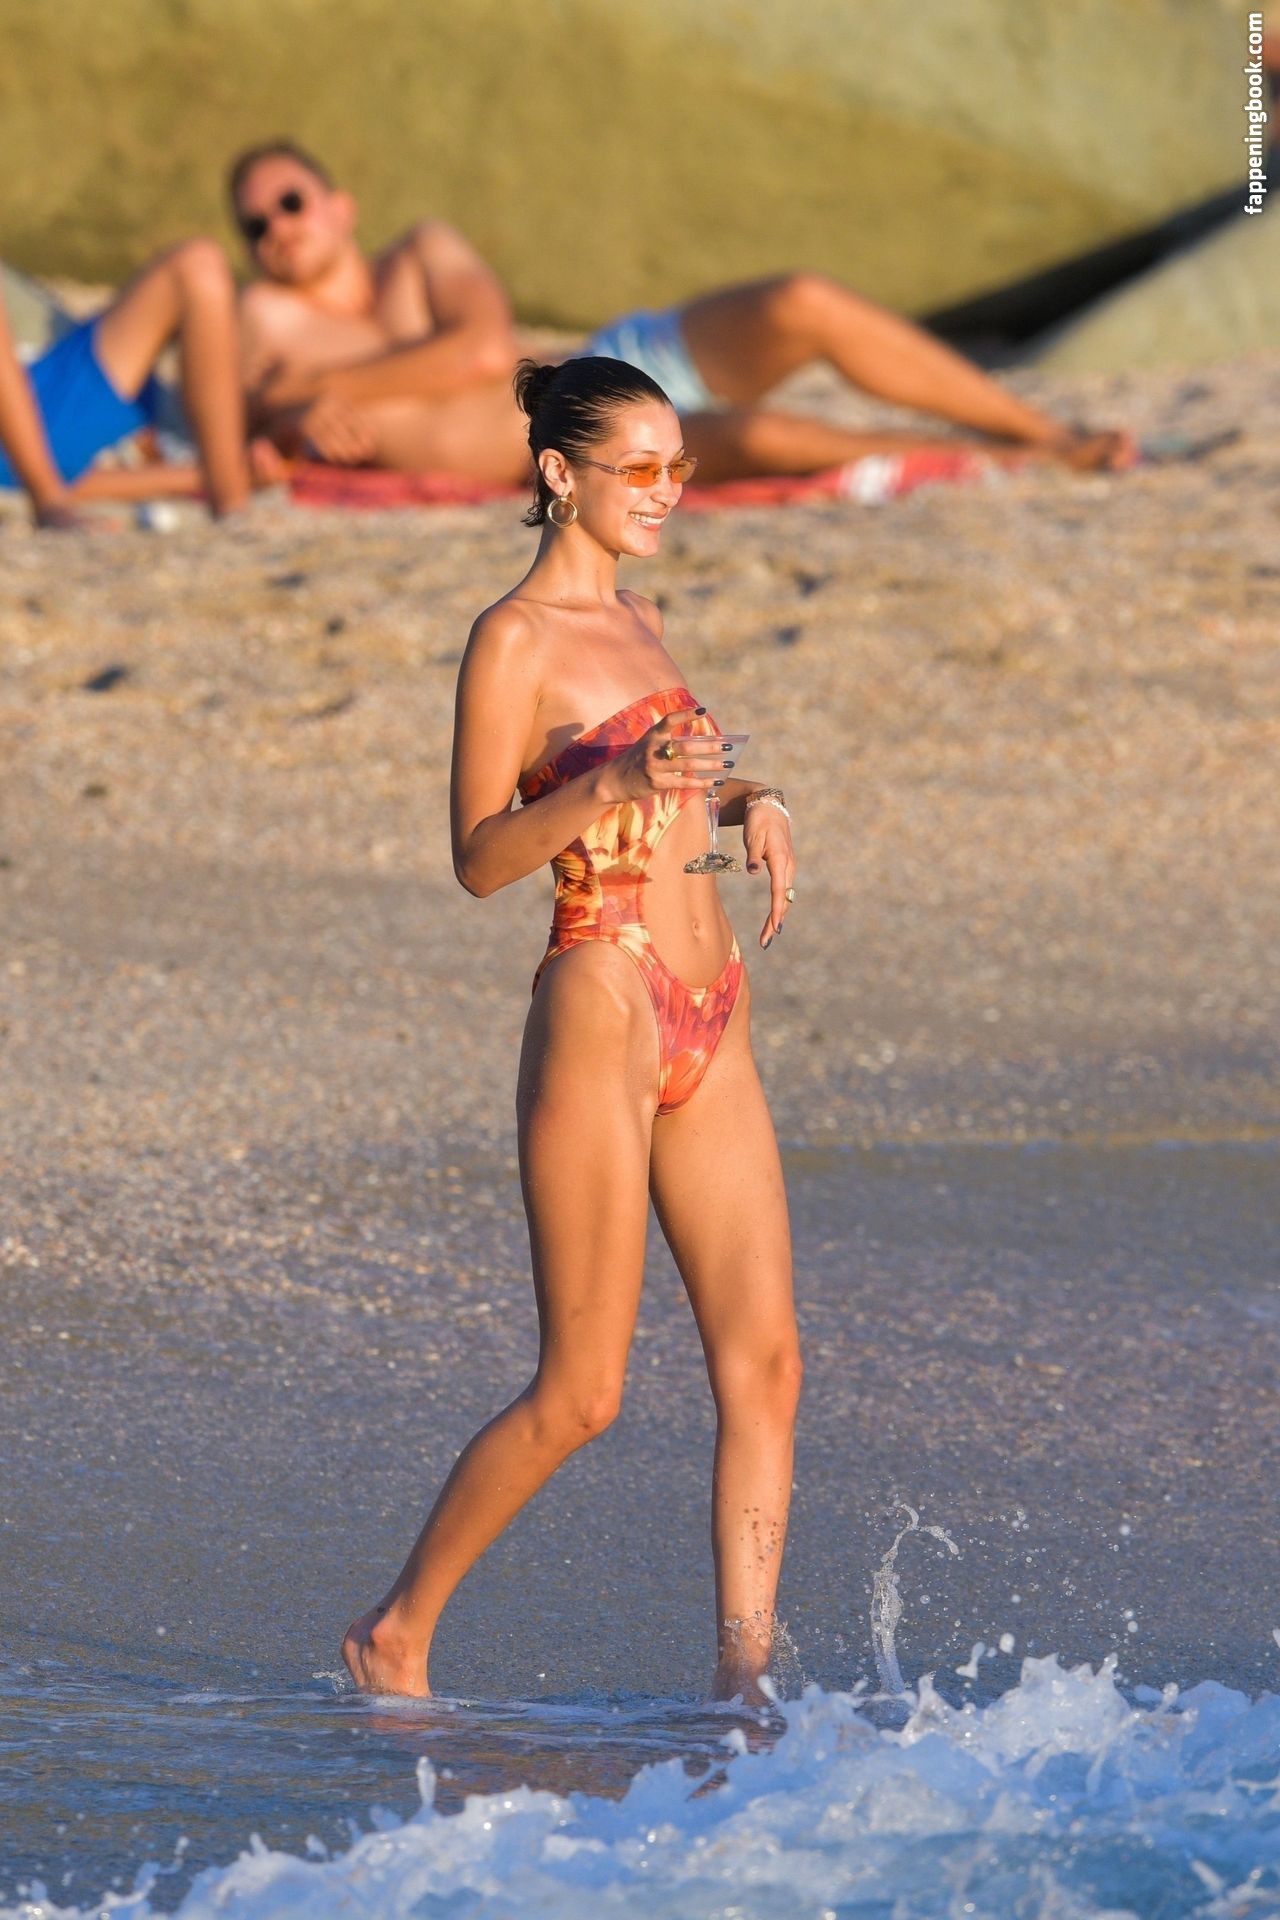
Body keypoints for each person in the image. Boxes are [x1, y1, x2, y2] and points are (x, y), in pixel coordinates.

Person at [342, 356, 801, 1703]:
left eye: (678, 468)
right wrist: (607, 781)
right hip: (603, 993)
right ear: (559, 474)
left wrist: (754, 800)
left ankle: (742, 1693)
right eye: (638, 469)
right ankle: (395, 1633)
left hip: (712, 1009)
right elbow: (480, 856)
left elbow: (678, 787)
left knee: (767, 1367)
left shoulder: (645, 614)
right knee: (584, 1392)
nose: (666, 491)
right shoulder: (512, 638)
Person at [231, 141, 1133, 485]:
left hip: (605, 359)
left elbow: (483, 350)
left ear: (339, 206)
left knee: (802, 301)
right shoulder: (267, 317)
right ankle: (1018, 459)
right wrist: (289, 410)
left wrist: (325, 388)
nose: (278, 228)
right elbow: (234, 417)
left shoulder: (419, 253)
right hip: (573, 436)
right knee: (766, 436)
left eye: (291, 202)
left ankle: (1040, 428)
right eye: (256, 223)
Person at [0, 242, 257, 522]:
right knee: (197, 267)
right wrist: (47, 497)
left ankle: (231, 489)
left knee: (203, 270)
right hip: (40, 411)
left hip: (58, 387)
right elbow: (54, 474)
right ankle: (232, 498)